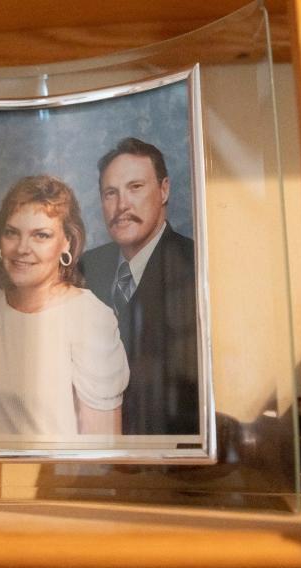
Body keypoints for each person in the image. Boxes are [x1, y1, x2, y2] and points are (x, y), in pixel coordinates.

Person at [0, 175, 129, 438]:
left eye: (41, 235)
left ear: (67, 243)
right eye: (12, 232)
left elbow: (102, 453)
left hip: (48, 479)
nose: (22, 248)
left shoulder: (89, 318)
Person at [81, 137, 199, 435]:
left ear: (164, 190)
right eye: (111, 193)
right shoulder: (86, 268)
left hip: (168, 458)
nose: (122, 205)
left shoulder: (197, 266)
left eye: (135, 187)